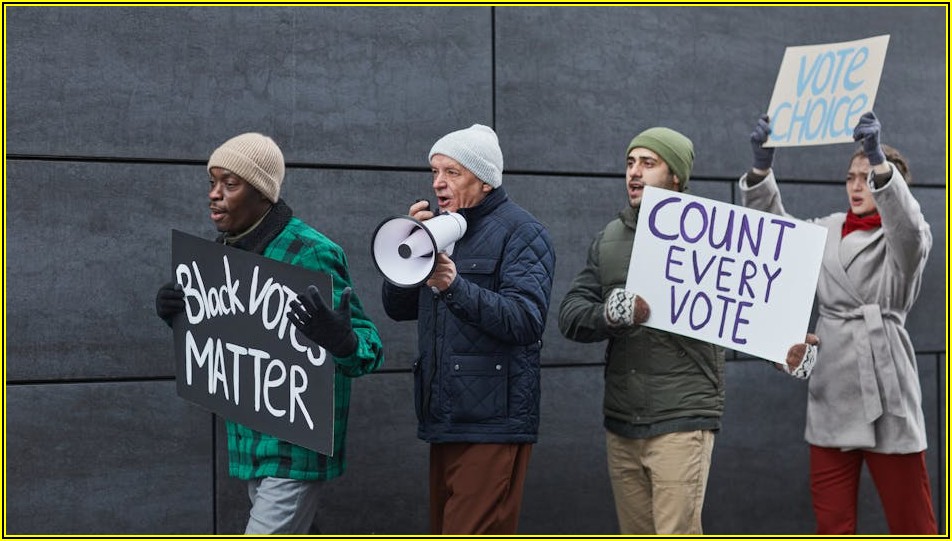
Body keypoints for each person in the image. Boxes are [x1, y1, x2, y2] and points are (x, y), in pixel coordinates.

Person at [154, 132, 384, 534]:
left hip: (295, 447)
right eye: (212, 182)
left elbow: (369, 348)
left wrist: (342, 340)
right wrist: (177, 314)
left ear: (262, 193)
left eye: (231, 183)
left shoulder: (308, 251)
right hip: (248, 442)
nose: (214, 195)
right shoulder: (220, 255)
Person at [742, 112, 936, 534]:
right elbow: (776, 239)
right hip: (833, 390)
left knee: (912, 523)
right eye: (851, 176)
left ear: (890, 189)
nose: (856, 185)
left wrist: (877, 159)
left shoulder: (906, 237)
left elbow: (908, 229)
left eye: (868, 177)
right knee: (832, 524)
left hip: (888, 394)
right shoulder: (826, 231)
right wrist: (761, 172)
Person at [380, 124, 556, 534]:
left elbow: (526, 320)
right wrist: (408, 249)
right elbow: (397, 308)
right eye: (435, 171)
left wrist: (454, 286)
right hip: (446, 416)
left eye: (453, 172)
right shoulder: (442, 229)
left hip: (493, 421)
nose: (439, 183)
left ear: (486, 180)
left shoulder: (523, 232)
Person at [558, 127, 725, 535]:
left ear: (675, 178)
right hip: (622, 422)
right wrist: (612, 312)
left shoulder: (716, 239)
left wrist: (784, 346)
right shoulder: (609, 238)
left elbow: (754, 311)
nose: (634, 173)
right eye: (630, 163)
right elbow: (570, 314)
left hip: (682, 420)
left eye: (648, 163)